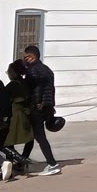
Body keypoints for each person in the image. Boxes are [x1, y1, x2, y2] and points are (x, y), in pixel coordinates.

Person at [20, 45, 61, 176]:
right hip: (47, 106)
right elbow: (51, 90)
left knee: (39, 136)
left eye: (26, 57)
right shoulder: (47, 70)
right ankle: (22, 161)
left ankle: (52, 163)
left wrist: (36, 103)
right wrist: (50, 104)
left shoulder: (33, 71)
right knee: (32, 136)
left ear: (32, 57)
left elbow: (33, 90)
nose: (24, 59)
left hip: (37, 107)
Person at [0, 60, 35, 172]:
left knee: (6, 142)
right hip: (25, 114)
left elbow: (4, 100)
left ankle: (16, 162)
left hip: (14, 115)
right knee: (29, 139)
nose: (8, 73)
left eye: (9, 71)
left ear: (14, 72)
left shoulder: (13, 85)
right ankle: (22, 159)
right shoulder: (26, 83)